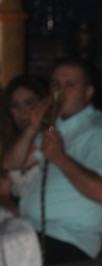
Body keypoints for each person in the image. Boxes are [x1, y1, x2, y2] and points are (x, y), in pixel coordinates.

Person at [1, 57, 102, 264]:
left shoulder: (99, 132)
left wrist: (60, 158)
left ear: (88, 93)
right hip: (32, 228)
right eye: (56, 84)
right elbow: (11, 163)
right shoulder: (60, 125)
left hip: (68, 238)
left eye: (70, 85)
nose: (60, 91)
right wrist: (32, 128)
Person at [0, 74, 48, 214]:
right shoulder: (10, 140)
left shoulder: (51, 136)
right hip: (20, 214)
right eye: (15, 105)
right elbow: (3, 192)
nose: (23, 112)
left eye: (29, 103)